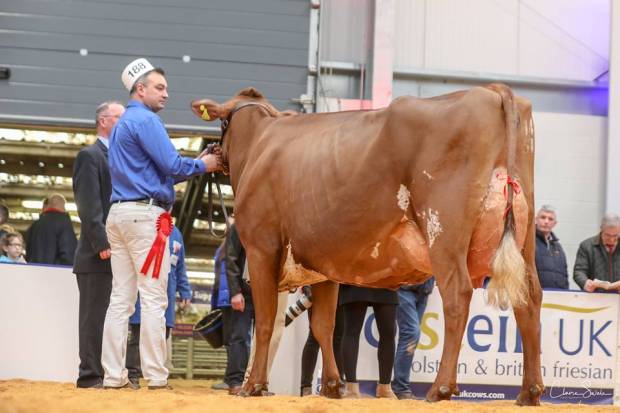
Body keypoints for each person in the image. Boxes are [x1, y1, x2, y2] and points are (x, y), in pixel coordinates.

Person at [101, 57, 221, 391]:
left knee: (120, 300)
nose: (166, 94)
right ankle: (156, 377)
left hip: (119, 214)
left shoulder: (122, 124)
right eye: (159, 87)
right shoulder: (146, 121)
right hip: (145, 217)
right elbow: (171, 165)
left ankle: (113, 376)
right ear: (140, 89)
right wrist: (204, 164)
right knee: (154, 299)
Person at [72, 101, 125, 389]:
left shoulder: (121, 157)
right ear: (104, 121)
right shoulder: (90, 156)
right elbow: (88, 205)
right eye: (120, 118)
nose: (125, 124)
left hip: (118, 253)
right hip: (96, 254)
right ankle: (90, 375)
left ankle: (112, 373)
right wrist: (101, 242)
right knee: (93, 319)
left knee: (113, 316)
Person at [126, 225, 192, 387]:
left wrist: (185, 291)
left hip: (167, 295)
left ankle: (158, 375)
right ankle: (133, 375)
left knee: (163, 335)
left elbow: (180, 266)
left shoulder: (176, 233)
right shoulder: (142, 226)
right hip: (144, 290)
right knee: (137, 335)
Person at [339, 285, 398, 398]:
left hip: (385, 280)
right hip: (356, 279)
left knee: (388, 333)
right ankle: (351, 388)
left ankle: (385, 388)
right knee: (351, 331)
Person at [221, 223, 254, 395]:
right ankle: (235, 381)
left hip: (265, 291)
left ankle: (256, 381)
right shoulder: (239, 227)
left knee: (262, 338)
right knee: (239, 337)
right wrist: (235, 292)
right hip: (244, 292)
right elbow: (231, 259)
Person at [391, 277, 435, 399]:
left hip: (424, 289)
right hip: (404, 286)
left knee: (410, 335)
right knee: (411, 333)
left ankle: (400, 386)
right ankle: (400, 387)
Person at [299, 286, 345, 396]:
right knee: (314, 337)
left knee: (338, 338)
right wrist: (306, 286)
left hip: (341, 287)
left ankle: (335, 384)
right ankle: (306, 387)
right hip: (318, 284)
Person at [25, 193, 77, 265]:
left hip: (34, 270)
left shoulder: (35, 225)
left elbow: (28, 252)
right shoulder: (64, 223)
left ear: (48, 205)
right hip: (55, 271)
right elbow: (68, 252)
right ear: (63, 205)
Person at [574, 213, 620, 292]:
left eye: (615, 236)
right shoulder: (587, 246)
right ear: (601, 229)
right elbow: (579, 271)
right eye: (608, 235)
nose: (612, 240)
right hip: (594, 297)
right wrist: (585, 283)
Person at [534, 205, 569, 289]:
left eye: (550, 219)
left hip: (557, 297)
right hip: (535, 296)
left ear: (555, 223)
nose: (546, 221)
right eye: (543, 217)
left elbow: (564, 274)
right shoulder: (529, 242)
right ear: (536, 220)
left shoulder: (558, 247)